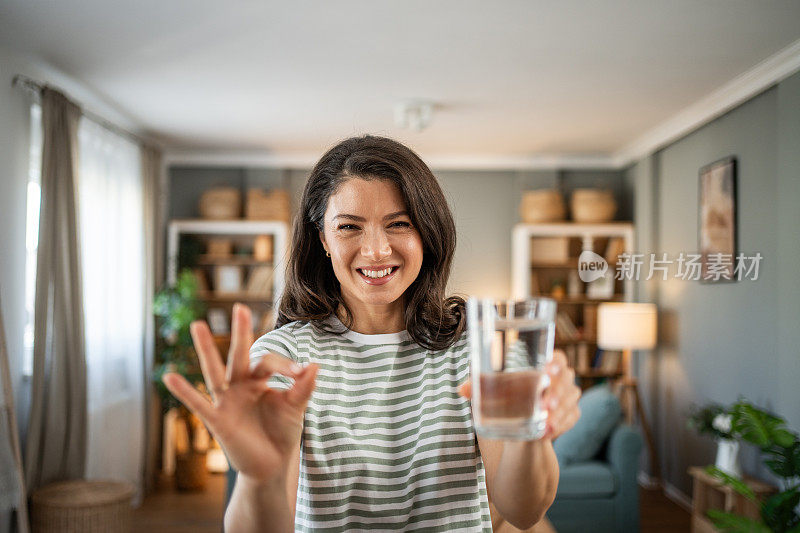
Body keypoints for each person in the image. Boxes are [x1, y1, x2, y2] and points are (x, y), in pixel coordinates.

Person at [162, 136, 581, 532]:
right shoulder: (283, 356)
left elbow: (523, 511)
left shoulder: (477, 345)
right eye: (349, 227)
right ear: (322, 238)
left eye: (398, 223)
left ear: (427, 233)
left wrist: (531, 433)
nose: (377, 250)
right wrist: (258, 479)